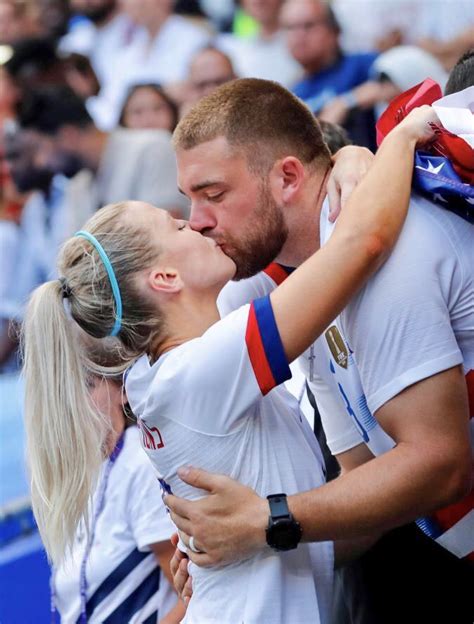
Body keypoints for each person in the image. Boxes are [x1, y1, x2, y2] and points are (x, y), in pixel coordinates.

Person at [21, 91, 436, 622]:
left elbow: (298, 235)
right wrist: (397, 140)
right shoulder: (201, 368)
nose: (196, 223)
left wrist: (345, 159)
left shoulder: (172, 364)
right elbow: (361, 242)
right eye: (176, 224)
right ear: (166, 279)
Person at [164, 79, 473, 623]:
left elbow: (442, 465)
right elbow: (367, 483)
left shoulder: (383, 252)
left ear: (287, 177)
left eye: (213, 194)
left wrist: (269, 520)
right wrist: (236, 549)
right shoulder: (306, 279)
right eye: (190, 199)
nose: (198, 220)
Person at [51, 370, 185, 623]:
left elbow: (191, 596)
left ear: (123, 392)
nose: (75, 399)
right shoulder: (87, 474)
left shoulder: (138, 463)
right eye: (68, 389)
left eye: (88, 385)